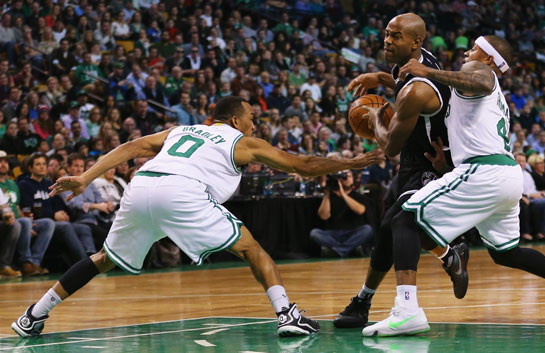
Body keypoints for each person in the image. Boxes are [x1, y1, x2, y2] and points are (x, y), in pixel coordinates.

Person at [12, 96, 382, 338]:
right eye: (252, 118)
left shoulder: (181, 130)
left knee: (103, 260)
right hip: (182, 192)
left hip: (141, 188)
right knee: (253, 250)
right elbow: (302, 164)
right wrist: (350, 162)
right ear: (236, 120)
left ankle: (33, 316)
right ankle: (287, 314)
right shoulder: (241, 141)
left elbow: (131, 146)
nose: (254, 124)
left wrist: (84, 177)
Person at [361, 35, 545, 336]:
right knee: (506, 253)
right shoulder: (466, 86)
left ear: (489, 59)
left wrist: (429, 71)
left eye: (475, 48)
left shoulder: (484, 75)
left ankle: (407, 309)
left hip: (483, 172)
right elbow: (435, 92)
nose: (467, 51)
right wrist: (385, 79)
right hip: (504, 175)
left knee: (403, 220)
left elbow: (481, 81)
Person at [333, 13, 468, 330]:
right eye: (386, 34)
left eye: (395, 36)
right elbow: (403, 83)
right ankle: (363, 302)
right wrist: (380, 79)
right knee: (384, 230)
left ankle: (411, 301)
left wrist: (374, 119)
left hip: (431, 161)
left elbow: (389, 147)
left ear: (416, 42)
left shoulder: (418, 88)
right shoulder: (414, 64)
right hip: (412, 157)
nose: (387, 41)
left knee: (400, 223)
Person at [310, 170, 374, 257]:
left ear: (354, 179)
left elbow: (360, 210)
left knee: (367, 229)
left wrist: (343, 194)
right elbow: (324, 216)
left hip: (353, 233)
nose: (346, 178)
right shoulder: (330, 196)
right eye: (343, 176)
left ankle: (337, 250)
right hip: (333, 234)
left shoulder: (358, 196)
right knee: (315, 233)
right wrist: (327, 195)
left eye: (349, 176)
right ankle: (348, 249)